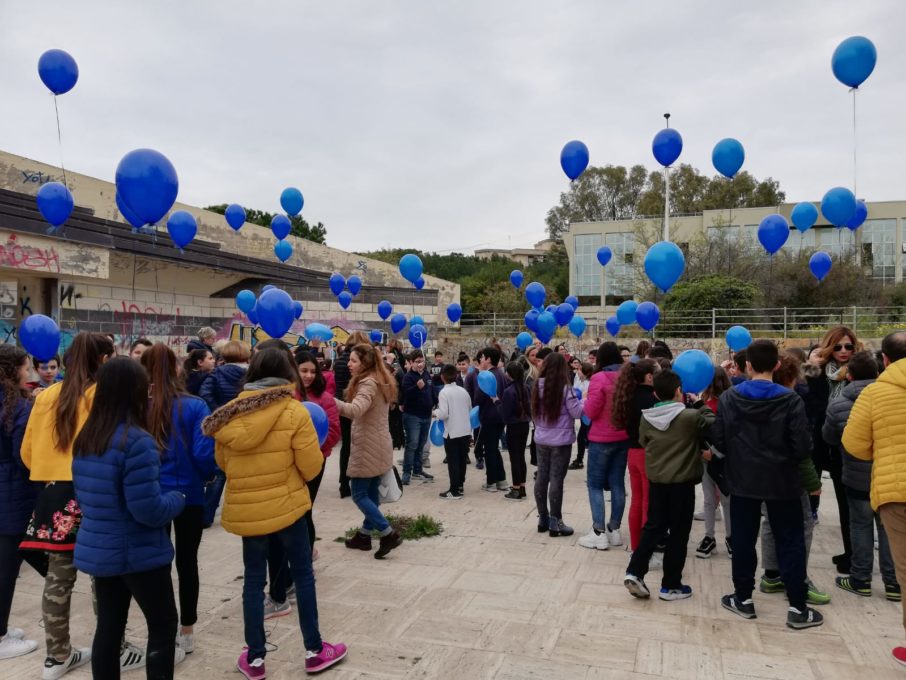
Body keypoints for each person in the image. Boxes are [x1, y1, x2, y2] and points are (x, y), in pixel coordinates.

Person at [202, 348, 347, 677]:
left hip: (250, 513)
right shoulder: (295, 413)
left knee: (253, 582)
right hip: (289, 509)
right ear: (289, 375)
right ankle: (313, 650)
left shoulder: (229, 414)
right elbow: (311, 468)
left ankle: (255, 658)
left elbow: (223, 463)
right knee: (303, 574)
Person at [71, 357, 187, 679]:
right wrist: (178, 500)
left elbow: (84, 497)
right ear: (135, 392)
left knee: (109, 626)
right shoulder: (137, 442)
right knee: (163, 625)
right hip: (138, 553)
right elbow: (147, 510)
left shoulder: (87, 438)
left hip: (102, 550)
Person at [20, 333, 122, 678]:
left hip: (53, 494)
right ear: (104, 360)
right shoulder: (101, 395)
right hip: (93, 490)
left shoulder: (45, 395)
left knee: (57, 578)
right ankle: (114, 646)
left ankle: (57, 655)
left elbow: (27, 453)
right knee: (103, 575)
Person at [711, 339, 823, 630]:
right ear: (776, 365)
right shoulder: (790, 399)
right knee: (790, 540)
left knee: (744, 540)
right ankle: (798, 606)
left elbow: (719, 440)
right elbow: (802, 446)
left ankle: (743, 598)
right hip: (783, 481)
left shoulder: (730, 398)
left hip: (743, 480)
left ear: (747, 365)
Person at [142, 344, 216, 655]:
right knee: (188, 562)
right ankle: (186, 629)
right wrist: (207, 476)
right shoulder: (195, 406)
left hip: (150, 493)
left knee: (156, 565)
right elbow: (203, 453)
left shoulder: (135, 406)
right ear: (177, 369)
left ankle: (161, 627)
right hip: (189, 493)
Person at [842, 332, 906, 664]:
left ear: (885, 359)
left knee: (903, 564)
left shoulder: (876, 393)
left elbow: (853, 443)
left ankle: (870, 579)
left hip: (895, 487)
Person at [623, 369, 715, 601]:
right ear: (678, 391)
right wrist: (700, 403)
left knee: (653, 527)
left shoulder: (647, 417)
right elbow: (712, 424)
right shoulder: (689, 417)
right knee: (679, 533)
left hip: (657, 481)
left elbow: (644, 441)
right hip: (682, 483)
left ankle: (635, 571)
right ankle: (671, 584)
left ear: (655, 393)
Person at [823, 350, 899, 601]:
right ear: (879, 371)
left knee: (860, 525)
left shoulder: (839, 403)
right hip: (890, 474)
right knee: (889, 529)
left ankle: (861, 578)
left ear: (849, 376)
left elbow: (829, 438)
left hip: (855, 476)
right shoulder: (893, 396)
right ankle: (894, 582)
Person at [759, 355, 829, 606]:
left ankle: (771, 574)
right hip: (789, 474)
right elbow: (801, 447)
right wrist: (813, 483)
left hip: (764, 473)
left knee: (769, 522)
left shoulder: (757, 399)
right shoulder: (791, 401)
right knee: (802, 526)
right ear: (790, 377)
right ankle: (797, 579)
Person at [335, 343, 402, 559]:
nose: (349, 364)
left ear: (364, 363)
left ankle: (387, 532)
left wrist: (330, 402)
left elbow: (355, 410)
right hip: (380, 443)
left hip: (368, 446)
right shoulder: (382, 379)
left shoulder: (368, 384)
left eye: (353, 360)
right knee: (371, 494)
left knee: (359, 494)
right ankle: (364, 536)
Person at [804, 325, 861, 572]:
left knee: (847, 504)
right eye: (837, 346)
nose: (843, 351)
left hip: (848, 445)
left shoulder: (861, 371)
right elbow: (803, 395)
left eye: (849, 346)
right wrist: (810, 364)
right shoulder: (817, 372)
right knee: (807, 499)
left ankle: (852, 555)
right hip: (819, 441)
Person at [0, 345, 41, 661]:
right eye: (26, 368)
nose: (29, 373)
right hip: (12, 496)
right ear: (14, 369)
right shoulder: (18, 407)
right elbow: (24, 456)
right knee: (5, 569)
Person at [606, 359, 658, 552]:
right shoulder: (653, 400)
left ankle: (637, 547)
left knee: (637, 500)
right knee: (647, 503)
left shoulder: (627, 396)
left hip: (632, 452)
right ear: (649, 376)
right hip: (648, 454)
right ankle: (646, 551)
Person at [581, 342, 630, 548]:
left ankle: (598, 531)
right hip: (623, 437)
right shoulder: (628, 377)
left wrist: (584, 401)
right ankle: (615, 529)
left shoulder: (598, 378)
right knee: (617, 483)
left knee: (595, 484)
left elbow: (591, 412)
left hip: (601, 439)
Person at [199, 340, 250, 527]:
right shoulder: (252, 374)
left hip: (222, 428)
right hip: (245, 426)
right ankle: (244, 513)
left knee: (219, 472)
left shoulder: (216, 373)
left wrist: (219, 413)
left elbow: (204, 394)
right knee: (245, 472)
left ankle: (206, 515)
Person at [532, 352, 584, 537]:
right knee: (556, 480)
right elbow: (577, 413)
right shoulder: (565, 389)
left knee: (542, 477)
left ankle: (542, 518)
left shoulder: (537, 386)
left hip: (541, 438)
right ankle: (556, 521)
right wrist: (584, 399)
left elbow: (534, 411)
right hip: (561, 441)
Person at [294, 349, 341, 547]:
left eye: (313, 371)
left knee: (305, 508)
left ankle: (307, 552)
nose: (309, 376)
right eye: (304, 370)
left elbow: (333, 431)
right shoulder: (285, 395)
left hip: (315, 461)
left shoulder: (325, 398)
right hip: (288, 462)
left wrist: (313, 450)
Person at [695, 367, 733, 559]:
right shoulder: (706, 401)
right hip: (709, 456)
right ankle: (717, 537)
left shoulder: (725, 402)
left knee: (715, 499)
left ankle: (723, 537)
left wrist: (714, 452)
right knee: (717, 500)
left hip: (717, 457)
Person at [334, 331, 370, 499]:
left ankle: (343, 483)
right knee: (358, 444)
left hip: (341, 404)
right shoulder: (359, 361)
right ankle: (358, 480)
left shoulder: (341, 359)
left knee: (346, 445)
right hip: (356, 404)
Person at [473, 346, 508, 491]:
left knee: (490, 450)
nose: (480, 359)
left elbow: (478, 398)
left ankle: (491, 482)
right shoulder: (501, 374)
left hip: (488, 416)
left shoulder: (486, 376)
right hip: (500, 416)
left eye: (482, 357)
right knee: (494, 449)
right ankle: (502, 480)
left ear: (488, 359)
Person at [434, 364, 472, 499]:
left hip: (452, 431)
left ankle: (454, 490)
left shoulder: (443, 392)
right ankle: (460, 485)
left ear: (442, 377)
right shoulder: (463, 391)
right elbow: (469, 409)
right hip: (465, 430)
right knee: (462, 459)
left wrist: (435, 412)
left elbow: (444, 414)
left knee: (453, 461)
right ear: (456, 376)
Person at [400, 349, 435, 485]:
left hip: (427, 415)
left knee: (421, 444)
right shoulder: (408, 377)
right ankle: (406, 472)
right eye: (417, 362)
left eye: (422, 361)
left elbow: (431, 392)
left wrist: (435, 402)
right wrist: (416, 387)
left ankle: (418, 470)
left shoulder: (427, 375)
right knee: (412, 444)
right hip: (413, 416)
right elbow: (405, 394)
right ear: (411, 363)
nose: (420, 364)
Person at [497, 361, 531, 501]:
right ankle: (522, 487)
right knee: (521, 456)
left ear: (510, 375)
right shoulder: (526, 387)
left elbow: (505, 414)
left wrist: (497, 402)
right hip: (524, 425)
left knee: (514, 458)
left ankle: (516, 488)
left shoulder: (508, 391)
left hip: (513, 426)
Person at [568, 362, 593, 470]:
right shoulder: (577, 380)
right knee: (581, 437)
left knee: (586, 437)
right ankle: (579, 459)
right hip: (580, 410)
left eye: (580, 369)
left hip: (588, 412)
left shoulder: (590, 383)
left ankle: (582, 460)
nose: (578, 371)